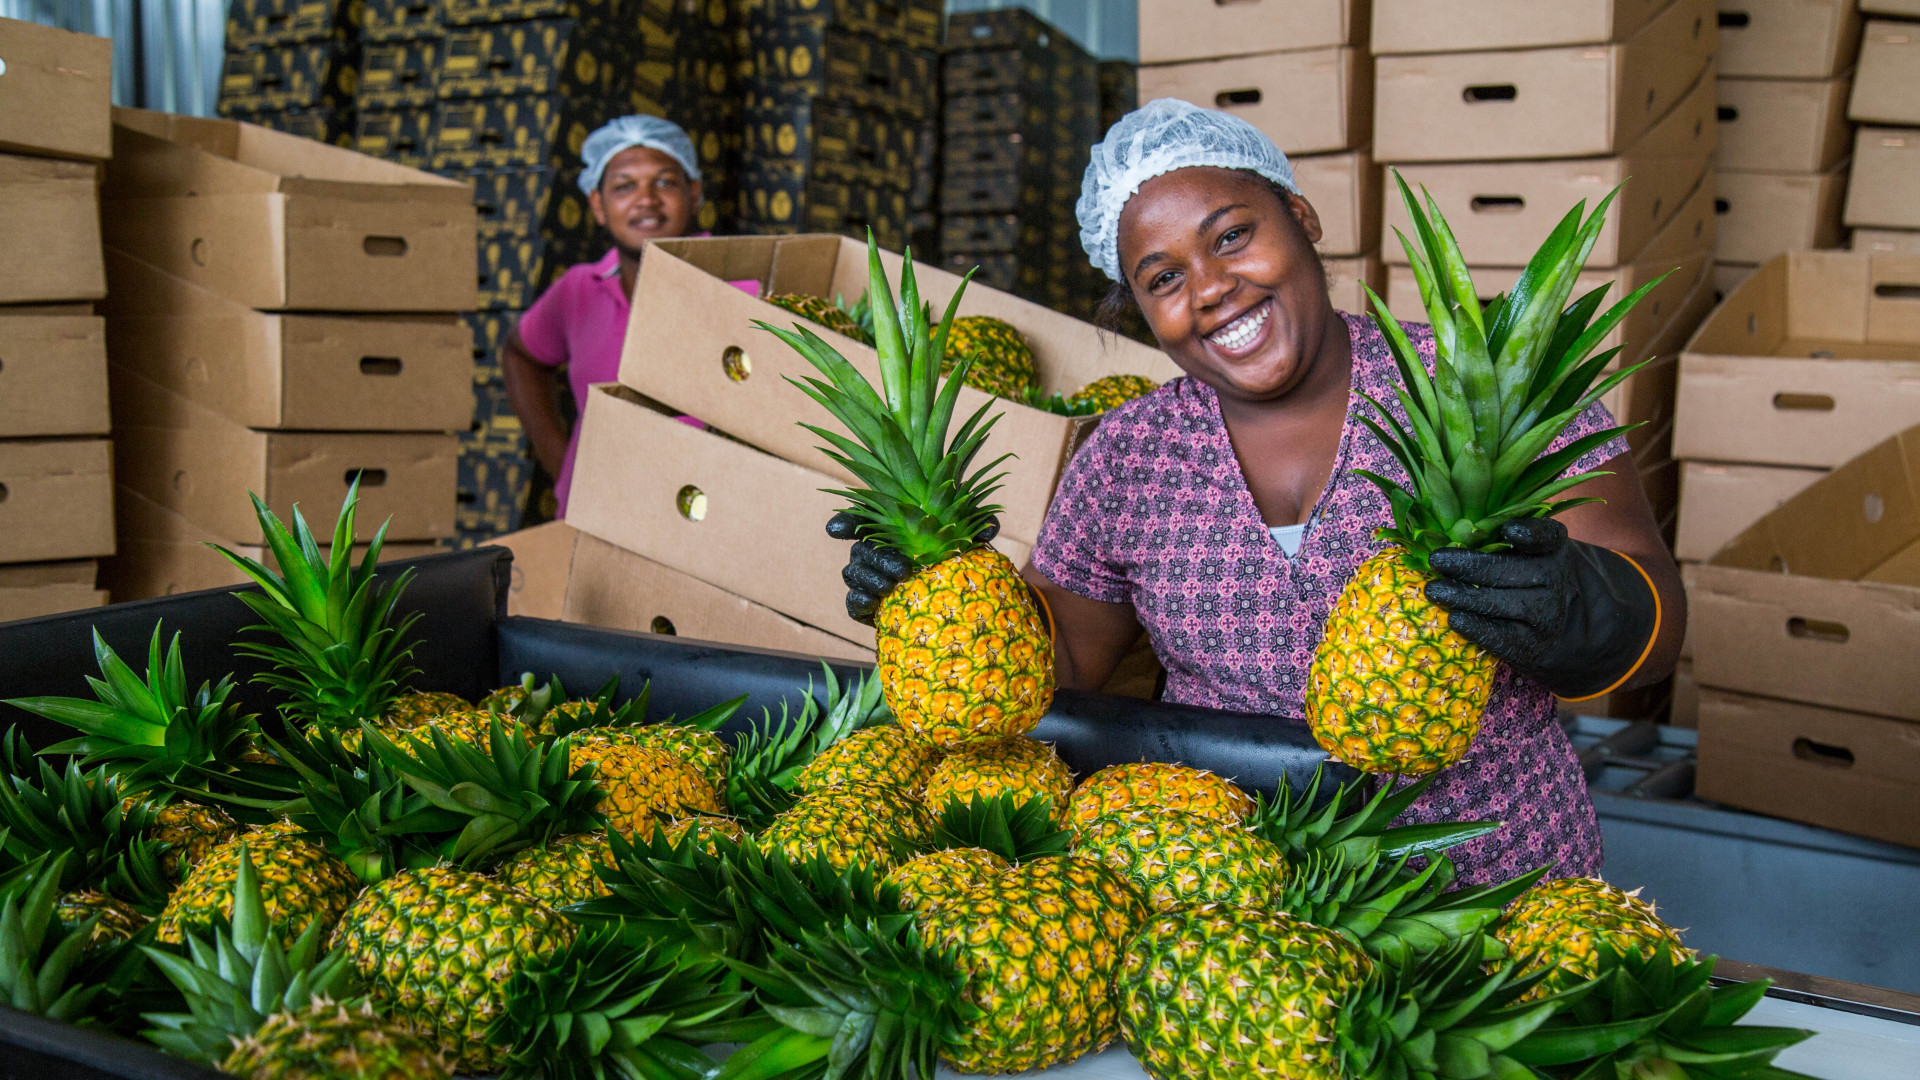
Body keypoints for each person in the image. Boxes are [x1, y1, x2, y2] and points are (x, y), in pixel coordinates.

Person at [830, 99, 1685, 885]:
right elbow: (1069, 663)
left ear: (1301, 218)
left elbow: (1659, 624)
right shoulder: (1125, 456)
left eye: (1232, 236)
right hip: (1231, 897)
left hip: (1500, 880)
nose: (1209, 288)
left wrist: (1580, 605)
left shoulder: (1480, 392)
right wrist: (937, 598)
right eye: (1163, 279)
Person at [500, 115, 704, 517]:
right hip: (595, 518)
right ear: (598, 205)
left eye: (665, 182)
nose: (646, 200)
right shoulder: (579, 290)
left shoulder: (741, 285)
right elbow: (519, 354)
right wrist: (563, 468)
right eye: (624, 186)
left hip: (702, 523)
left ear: (694, 193)